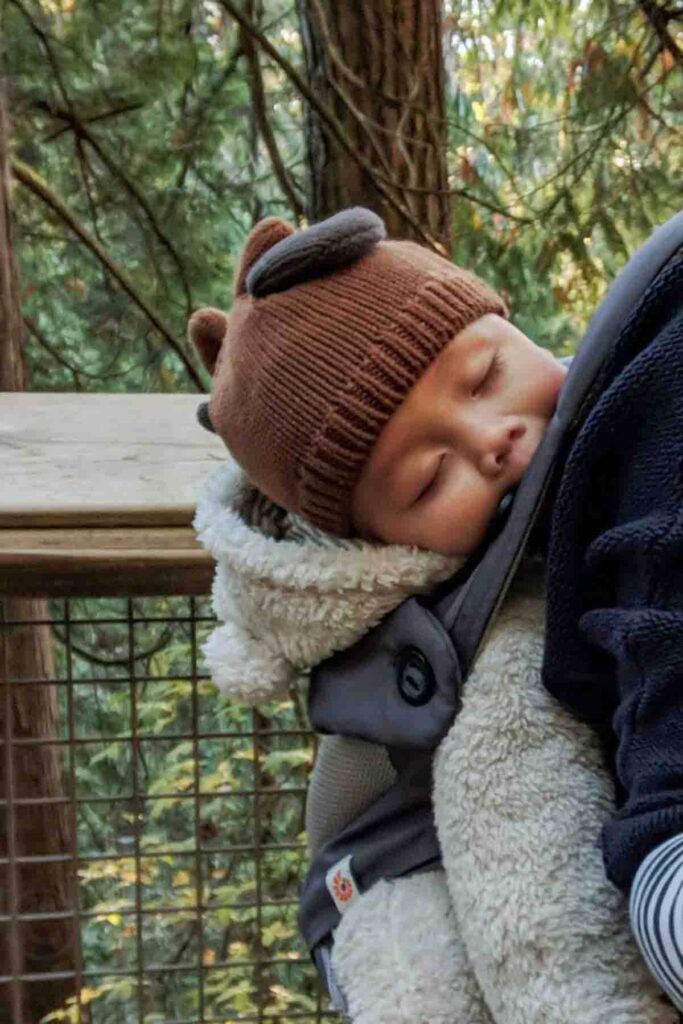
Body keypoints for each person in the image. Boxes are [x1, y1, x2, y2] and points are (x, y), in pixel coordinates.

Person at [190, 206, 679, 1021]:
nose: (490, 437)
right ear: (380, 542)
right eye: (426, 480)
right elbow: (539, 927)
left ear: (505, 322)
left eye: (485, 376)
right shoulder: (493, 663)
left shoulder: (624, 424)